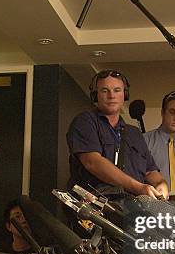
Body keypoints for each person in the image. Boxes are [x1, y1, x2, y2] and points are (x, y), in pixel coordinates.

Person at [67, 70, 168, 200]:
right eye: (104, 90)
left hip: (132, 210)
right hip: (96, 209)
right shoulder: (85, 121)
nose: (111, 95)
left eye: (117, 90)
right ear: (95, 95)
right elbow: (92, 162)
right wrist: (138, 188)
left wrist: (161, 184)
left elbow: (151, 171)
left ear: (124, 95)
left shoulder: (135, 133)